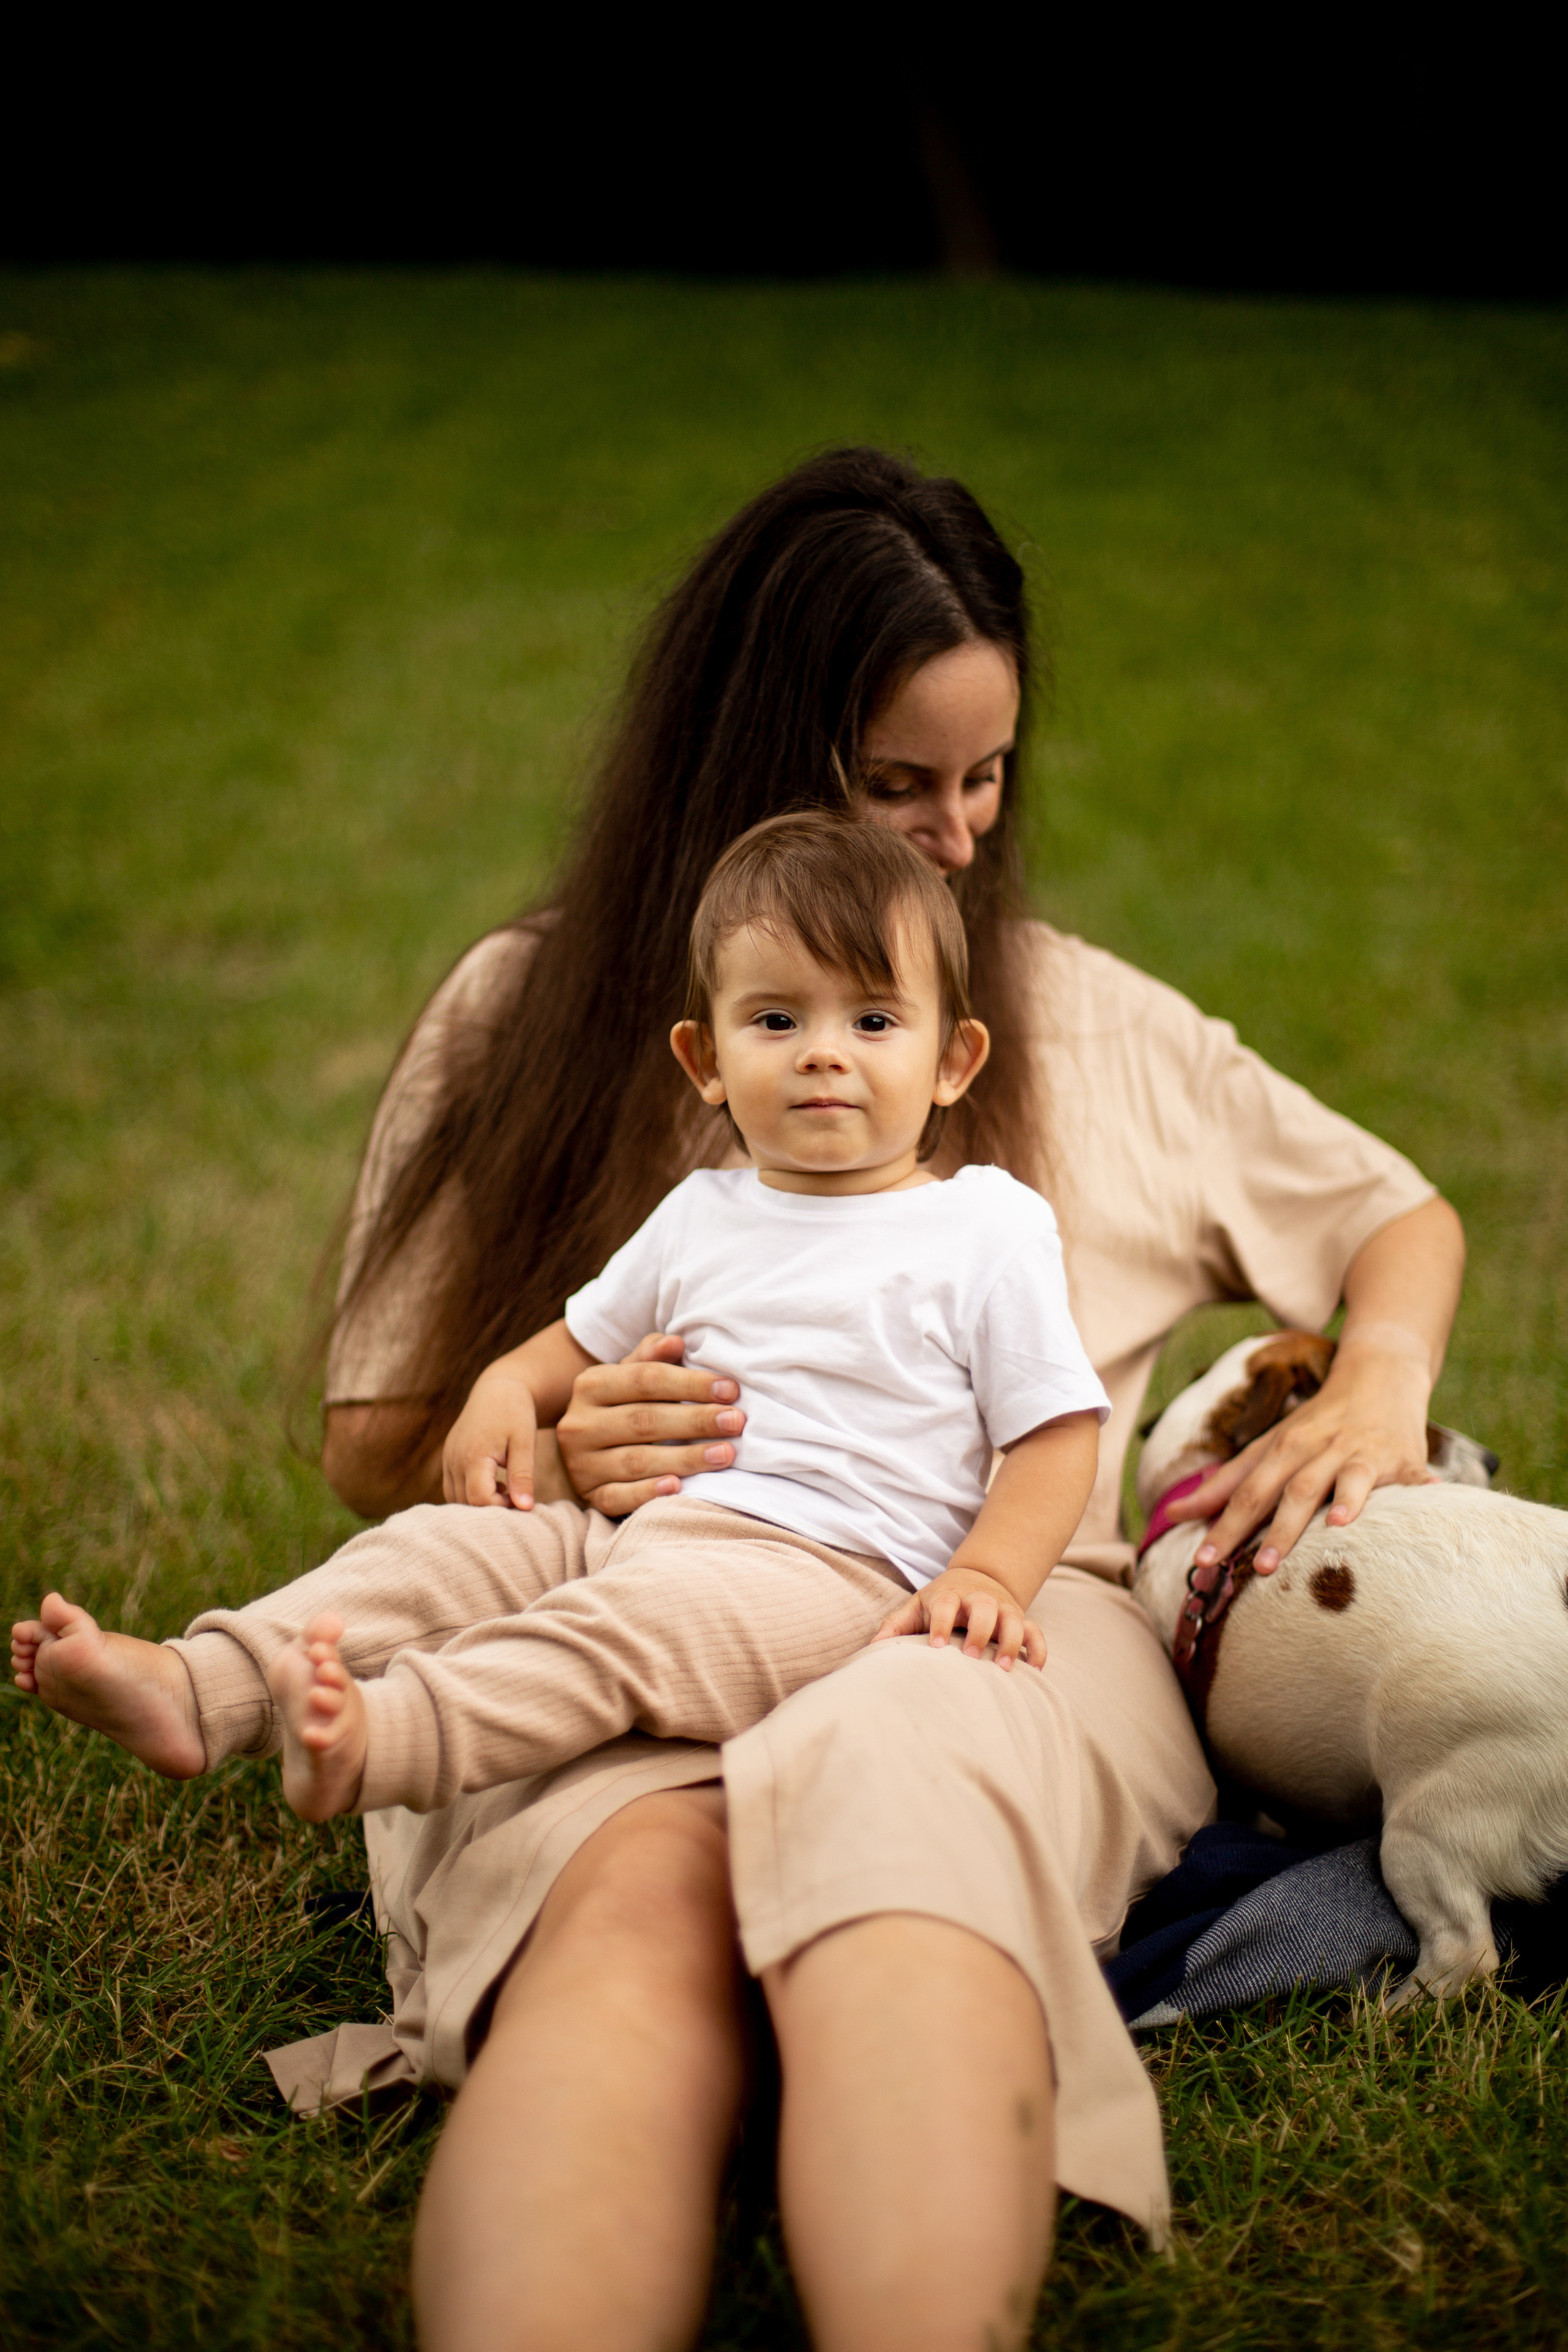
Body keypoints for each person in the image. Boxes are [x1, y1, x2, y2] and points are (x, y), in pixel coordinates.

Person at [10, 448, 1464, 2352]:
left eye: (988, 776)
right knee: (639, 1894)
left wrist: (1379, 1378)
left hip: (994, 1610)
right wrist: (560, 1411)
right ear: (755, 758)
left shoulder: (1070, 1018)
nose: (955, 837)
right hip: (652, 1573)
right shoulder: (535, 1011)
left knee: (901, 1862)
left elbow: (1396, 1216)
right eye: (895, 783)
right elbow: (385, 1432)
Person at [214, 813, 1107, 1821]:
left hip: (831, 1575)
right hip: (633, 1533)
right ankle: (202, 1684)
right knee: (434, 1553)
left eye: (872, 1022)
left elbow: (1056, 1430)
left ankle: (393, 1741)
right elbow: (576, 1342)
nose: (823, 1055)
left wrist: (990, 1574)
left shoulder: (983, 1225)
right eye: (776, 1021)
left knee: (617, 1631)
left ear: (953, 1059)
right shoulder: (701, 1211)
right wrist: (505, 1386)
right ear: (705, 1059)